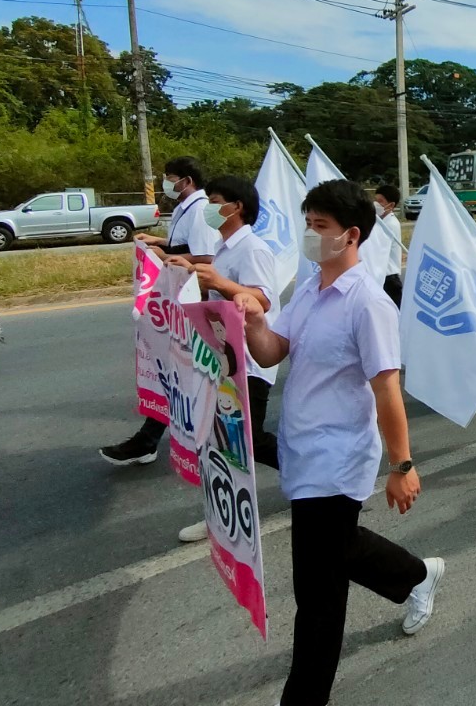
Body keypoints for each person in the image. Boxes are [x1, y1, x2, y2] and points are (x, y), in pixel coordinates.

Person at [233, 179, 443, 706]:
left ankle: (304, 698)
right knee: (337, 550)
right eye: (307, 223)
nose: (310, 233)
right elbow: (273, 350)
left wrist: (402, 465)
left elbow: (387, 388)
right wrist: (253, 323)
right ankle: (418, 575)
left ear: (351, 235)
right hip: (301, 450)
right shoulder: (309, 288)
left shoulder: (368, 303)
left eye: (320, 225)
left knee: (318, 591)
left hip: (338, 457)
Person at [100, 177, 281, 510]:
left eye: (215, 202)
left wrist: (218, 281)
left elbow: (262, 300)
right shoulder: (225, 247)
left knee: (250, 441)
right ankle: (224, 515)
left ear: (237, 207)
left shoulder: (253, 249)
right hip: (222, 357)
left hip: (249, 360)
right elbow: (217, 287)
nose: (208, 209)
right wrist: (190, 270)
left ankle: (313, 477)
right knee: (220, 441)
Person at [134, 156, 219, 263]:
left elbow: (207, 256)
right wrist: (158, 241)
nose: (166, 183)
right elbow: (186, 243)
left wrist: (164, 256)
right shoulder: (185, 207)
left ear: (187, 181)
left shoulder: (200, 210)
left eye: (171, 179)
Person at [374, 184, 404, 308]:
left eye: (380, 201)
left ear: (391, 205)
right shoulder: (380, 221)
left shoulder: (390, 224)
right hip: (382, 277)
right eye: (375, 200)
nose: (376, 204)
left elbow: (376, 248)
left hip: (389, 279)